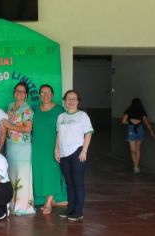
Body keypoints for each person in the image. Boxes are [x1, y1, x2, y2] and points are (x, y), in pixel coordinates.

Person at [55, 90, 93, 221]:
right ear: (64, 101)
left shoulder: (82, 116)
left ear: (78, 101)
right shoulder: (61, 117)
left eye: (74, 98)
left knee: (78, 183)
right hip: (64, 154)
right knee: (69, 183)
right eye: (68, 98)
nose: (71, 101)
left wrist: (84, 151)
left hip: (77, 153)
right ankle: (70, 208)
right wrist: (56, 150)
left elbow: (88, 133)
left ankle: (78, 211)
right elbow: (58, 135)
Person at [32, 84, 67, 215]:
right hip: (36, 146)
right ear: (40, 95)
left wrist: (58, 148)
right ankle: (44, 199)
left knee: (52, 172)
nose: (46, 95)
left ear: (52, 95)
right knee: (39, 172)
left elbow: (63, 130)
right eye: (43, 92)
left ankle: (49, 202)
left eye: (48, 93)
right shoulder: (34, 109)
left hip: (53, 146)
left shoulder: (59, 110)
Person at [2, 82, 35, 216]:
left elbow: (28, 129)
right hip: (10, 147)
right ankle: (11, 203)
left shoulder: (27, 109)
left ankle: (22, 206)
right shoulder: (10, 105)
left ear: (26, 95)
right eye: (17, 91)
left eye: (22, 92)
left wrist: (9, 125)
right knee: (11, 174)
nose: (19, 93)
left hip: (22, 149)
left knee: (22, 174)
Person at [122, 98, 155, 174]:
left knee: (132, 150)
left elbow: (123, 121)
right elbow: (147, 123)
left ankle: (136, 166)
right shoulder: (142, 111)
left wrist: (131, 123)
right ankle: (136, 166)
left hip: (131, 130)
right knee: (137, 149)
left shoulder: (128, 111)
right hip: (140, 130)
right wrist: (151, 132)